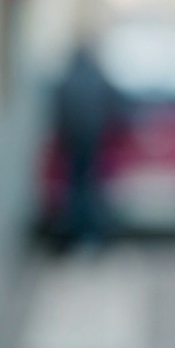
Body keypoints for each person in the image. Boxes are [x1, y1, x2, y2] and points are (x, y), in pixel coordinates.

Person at [52, 41, 127, 249]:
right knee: (92, 185)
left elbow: (59, 109)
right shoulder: (97, 76)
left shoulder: (67, 78)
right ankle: (94, 232)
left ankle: (76, 231)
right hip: (94, 138)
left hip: (74, 139)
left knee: (76, 185)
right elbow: (116, 101)